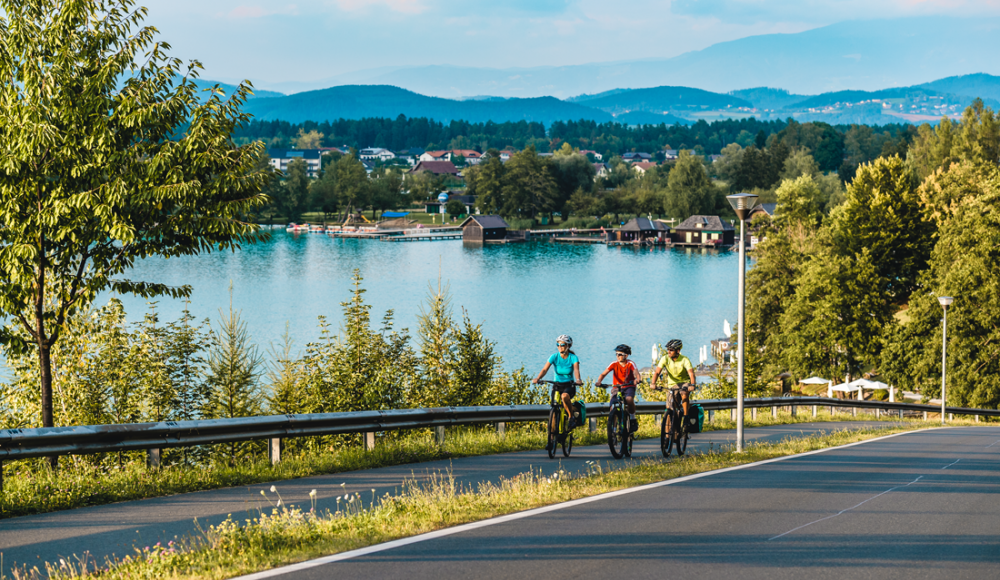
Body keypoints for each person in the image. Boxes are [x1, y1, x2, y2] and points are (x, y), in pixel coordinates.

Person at [532, 334, 583, 433]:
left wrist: (578, 379)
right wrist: (538, 378)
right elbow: (545, 369)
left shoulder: (573, 358)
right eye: (558, 344)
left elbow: (576, 370)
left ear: (568, 346)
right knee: (554, 410)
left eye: (562, 345)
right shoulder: (554, 357)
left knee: (564, 396)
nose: (560, 347)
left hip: (569, 385)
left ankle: (571, 417)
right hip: (557, 385)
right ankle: (551, 439)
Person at [595, 344, 642, 432]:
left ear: (626, 355)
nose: (618, 356)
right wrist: (599, 381)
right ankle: (614, 428)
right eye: (616, 354)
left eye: (620, 354)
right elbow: (603, 374)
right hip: (617, 387)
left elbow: (637, 373)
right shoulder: (614, 364)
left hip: (629, 386)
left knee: (628, 399)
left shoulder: (630, 364)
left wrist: (637, 379)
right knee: (613, 406)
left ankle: (632, 419)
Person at [650, 339, 697, 416]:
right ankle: (670, 426)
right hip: (672, 384)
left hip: (685, 382)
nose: (668, 351)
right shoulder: (665, 359)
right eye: (668, 349)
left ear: (678, 351)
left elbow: (691, 373)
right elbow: (657, 372)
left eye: (671, 350)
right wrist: (653, 383)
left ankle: (686, 416)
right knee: (669, 407)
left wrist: (692, 385)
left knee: (683, 393)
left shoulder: (684, 360)